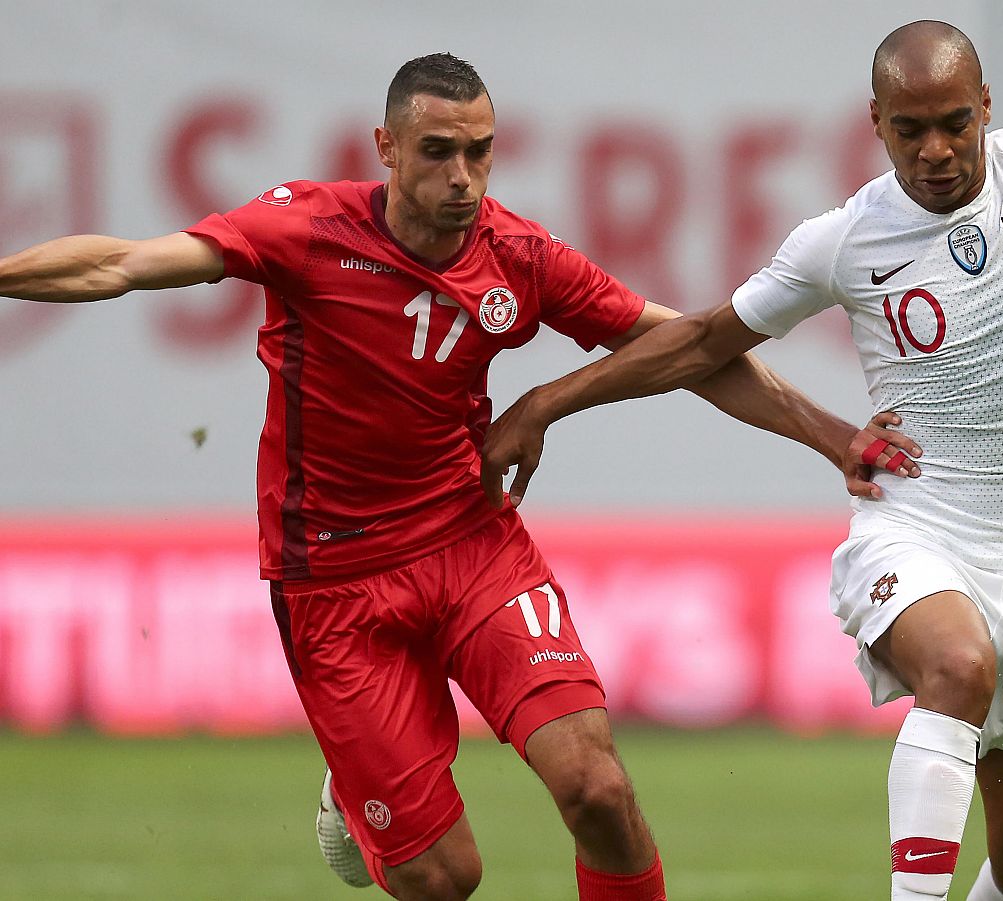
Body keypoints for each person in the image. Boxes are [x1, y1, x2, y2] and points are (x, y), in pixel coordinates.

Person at [0, 53, 915, 901]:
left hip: (473, 546)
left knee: (597, 786)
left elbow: (693, 345)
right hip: (336, 584)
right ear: (386, 148)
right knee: (445, 879)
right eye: (437, 152)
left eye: (480, 152)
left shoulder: (517, 255)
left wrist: (831, 435)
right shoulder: (305, 228)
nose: (463, 178)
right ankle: (362, 791)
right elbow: (122, 263)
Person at [481, 21, 1003, 901]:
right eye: (909, 130)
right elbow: (701, 343)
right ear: (874, 123)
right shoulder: (843, 239)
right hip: (916, 525)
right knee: (958, 667)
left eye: (955, 121)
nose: (937, 150)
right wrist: (546, 402)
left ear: (987, 105)